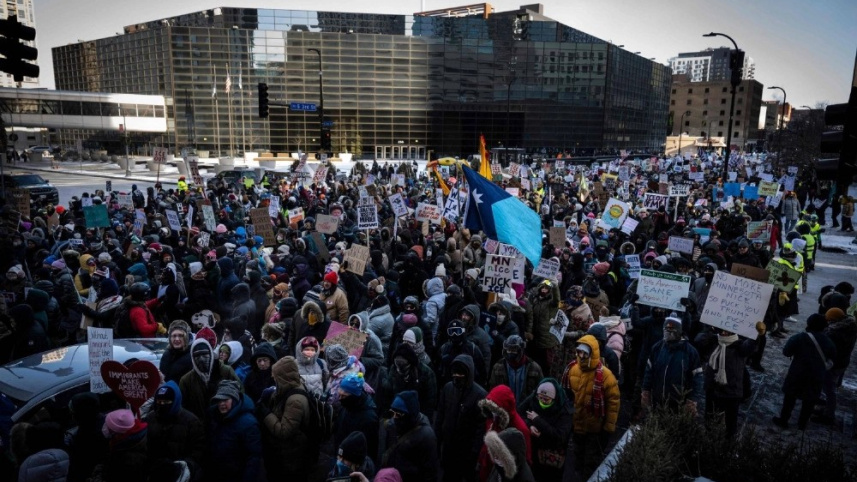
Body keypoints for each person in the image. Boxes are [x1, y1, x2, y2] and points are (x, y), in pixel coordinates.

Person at [563, 335, 620, 477]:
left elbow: (613, 402)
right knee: (577, 455)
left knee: (591, 460)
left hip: (595, 428)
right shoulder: (572, 369)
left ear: (593, 353)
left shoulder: (606, 376)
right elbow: (567, 393)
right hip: (577, 425)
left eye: (585, 353)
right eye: (579, 352)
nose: (581, 356)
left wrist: (609, 428)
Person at [694, 324, 765, 437]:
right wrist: (709, 327)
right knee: (710, 419)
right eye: (722, 331)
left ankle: (728, 446)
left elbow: (750, 346)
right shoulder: (713, 341)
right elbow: (699, 339)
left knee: (730, 425)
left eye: (728, 331)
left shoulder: (739, 345)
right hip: (713, 389)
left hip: (731, 391)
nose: (724, 333)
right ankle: (709, 442)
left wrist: (757, 335)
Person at [773, 314, 836, 430]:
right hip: (816, 376)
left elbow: (786, 352)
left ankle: (784, 420)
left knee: (790, 398)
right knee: (810, 401)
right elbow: (833, 357)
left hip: (797, 373)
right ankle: (802, 424)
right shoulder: (828, 342)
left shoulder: (799, 337)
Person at [256, 356, 313, 480]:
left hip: (290, 458)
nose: (273, 377)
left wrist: (266, 414)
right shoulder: (290, 388)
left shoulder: (295, 400)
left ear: (284, 378)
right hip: (286, 454)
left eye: (276, 375)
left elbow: (284, 431)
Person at [435, 354, 487, 482]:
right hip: (448, 448)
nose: (456, 376)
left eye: (460, 373)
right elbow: (440, 416)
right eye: (454, 373)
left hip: (466, 452)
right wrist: (438, 440)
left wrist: (474, 453)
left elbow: (480, 428)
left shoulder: (480, 395)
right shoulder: (448, 389)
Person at [641, 315, 704, 415]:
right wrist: (646, 391)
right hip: (657, 400)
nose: (668, 333)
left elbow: (697, 378)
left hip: (679, 404)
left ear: (679, 331)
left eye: (671, 330)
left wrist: (692, 399)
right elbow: (649, 371)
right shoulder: (657, 347)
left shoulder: (690, 352)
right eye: (666, 329)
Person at [144, 380, 206, 481]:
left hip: (180, 474)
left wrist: (185, 466)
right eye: (159, 402)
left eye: (166, 402)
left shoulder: (192, 422)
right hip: (154, 473)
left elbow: (199, 450)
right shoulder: (150, 418)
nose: (162, 405)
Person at [517, 378, 574, 481]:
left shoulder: (564, 411)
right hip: (533, 452)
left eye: (546, 400)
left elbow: (560, 436)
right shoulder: (533, 398)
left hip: (552, 458)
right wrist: (529, 425)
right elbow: (519, 414)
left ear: (554, 398)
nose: (542, 401)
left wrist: (538, 421)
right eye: (540, 398)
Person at [207, 380, 262, 482]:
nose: (222, 403)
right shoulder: (215, 418)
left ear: (234, 399)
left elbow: (254, 458)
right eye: (219, 400)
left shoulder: (248, 424)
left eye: (226, 399)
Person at [381, 390, 438, 482]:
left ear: (410, 415)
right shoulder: (395, 424)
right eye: (392, 412)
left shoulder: (427, 436)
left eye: (398, 414)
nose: (394, 417)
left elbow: (430, 472)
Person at [179, 338, 242, 421]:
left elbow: (240, 394)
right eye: (197, 356)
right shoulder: (186, 381)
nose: (201, 359)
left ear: (211, 354)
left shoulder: (226, 371)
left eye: (205, 355)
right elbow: (183, 408)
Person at [335, 372, 380, 465]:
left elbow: (371, 447)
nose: (340, 399)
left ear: (355, 396)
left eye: (343, 396)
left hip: (353, 463)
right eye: (339, 395)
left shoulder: (369, 418)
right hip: (340, 455)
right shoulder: (346, 406)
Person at [488, 335, 543, 404]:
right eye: (509, 349)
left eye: (513, 350)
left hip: (527, 410)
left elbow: (541, 393)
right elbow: (492, 391)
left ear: (521, 350)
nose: (510, 352)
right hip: (504, 409)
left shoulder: (535, 368)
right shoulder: (498, 368)